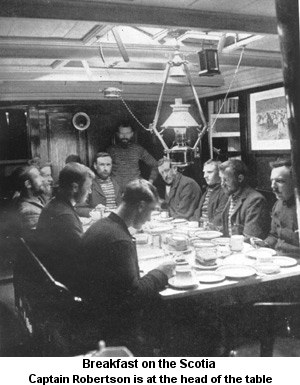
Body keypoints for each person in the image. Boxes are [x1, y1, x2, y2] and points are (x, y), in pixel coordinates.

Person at [78, 179, 175, 352]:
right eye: (151, 210)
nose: (150, 218)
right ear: (141, 206)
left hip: (92, 311)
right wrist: (162, 273)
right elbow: (133, 295)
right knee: (175, 315)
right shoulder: (119, 240)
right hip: (113, 326)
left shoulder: (102, 225)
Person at [36, 162, 94, 287]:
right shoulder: (64, 216)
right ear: (75, 187)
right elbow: (83, 257)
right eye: (88, 187)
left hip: (53, 272)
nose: (89, 191)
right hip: (66, 282)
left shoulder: (56, 204)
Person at [253, 159, 300, 256]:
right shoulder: (278, 205)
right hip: (278, 259)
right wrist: (265, 244)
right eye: (272, 181)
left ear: (295, 183)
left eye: (280, 181)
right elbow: (274, 235)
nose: (273, 186)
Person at [219, 159, 270, 239]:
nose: (222, 184)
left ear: (240, 179)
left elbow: (251, 238)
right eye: (221, 179)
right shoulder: (232, 196)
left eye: (226, 180)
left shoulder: (256, 200)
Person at [107, 123, 158, 192]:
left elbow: (155, 165)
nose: (124, 136)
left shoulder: (138, 149)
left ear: (132, 134)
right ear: (117, 134)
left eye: (127, 133)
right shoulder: (110, 150)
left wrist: (149, 183)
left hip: (135, 191)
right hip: (115, 191)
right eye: (122, 133)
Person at [191, 159, 228, 227]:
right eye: (204, 172)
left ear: (220, 173)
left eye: (209, 172)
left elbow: (219, 219)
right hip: (200, 228)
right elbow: (197, 212)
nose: (205, 176)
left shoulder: (224, 192)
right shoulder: (208, 190)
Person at [15, 165, 45, 233]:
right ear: (28, 184)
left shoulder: (39, 198)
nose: (42, 179)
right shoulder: (28, 211)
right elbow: (40, 238)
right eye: (37, 177)